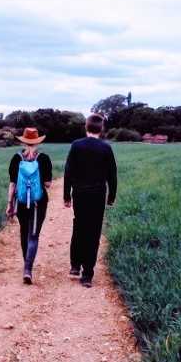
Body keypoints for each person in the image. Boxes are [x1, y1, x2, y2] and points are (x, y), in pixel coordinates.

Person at [63, 114, 117, 288]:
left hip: (80, 194)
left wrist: (66, 195)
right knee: (93, 233)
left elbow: (68, 172)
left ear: (86, 127)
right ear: (101, 129)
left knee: (79, 226)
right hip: (97, 195)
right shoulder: (106, 148)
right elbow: (112, 175)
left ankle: (75, 265)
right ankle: (87, 275)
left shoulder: (76, 146)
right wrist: (112, 196)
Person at [6, 127, 53, 284]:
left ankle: (26, 265)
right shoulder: (44, 158)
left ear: (23, 141)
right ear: (38, 141)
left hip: (20, 202)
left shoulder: (16, 158)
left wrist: (9, 204)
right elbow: (47, 184)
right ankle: (28, 269)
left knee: (23, 232)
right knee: (34, 235)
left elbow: (12, 184)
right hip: (38, 202)